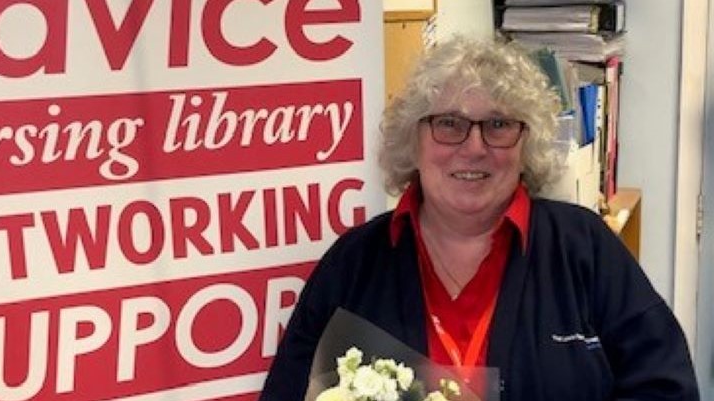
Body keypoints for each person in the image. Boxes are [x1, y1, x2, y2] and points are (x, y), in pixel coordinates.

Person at [259, 35, 699, 401]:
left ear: (527, 143)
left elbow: (667, 387)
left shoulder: (585, 248)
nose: (473, 147)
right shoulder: (354, 262)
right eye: (449, 123)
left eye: (499, 125)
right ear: (413, 140)